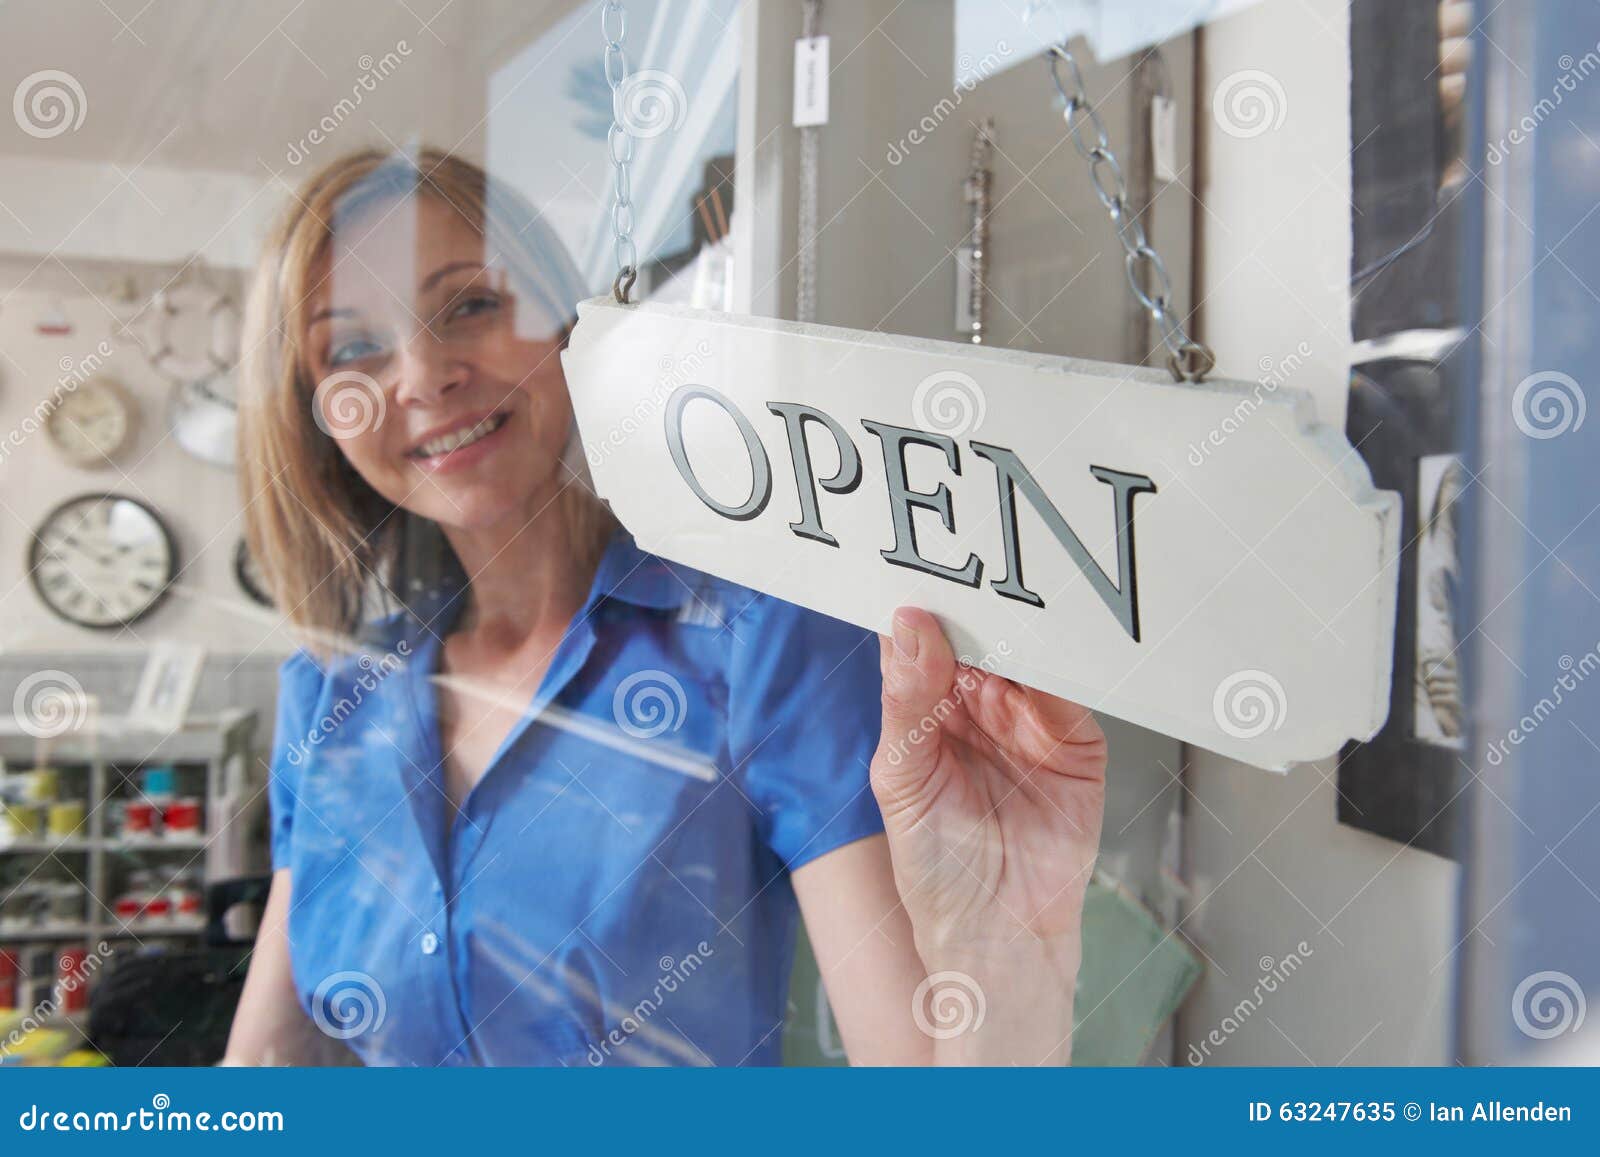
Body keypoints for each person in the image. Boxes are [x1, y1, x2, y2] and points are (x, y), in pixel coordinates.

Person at [223, 147, 1107, 1066]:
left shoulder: (758, 638)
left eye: (470, 306)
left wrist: (1002, 952)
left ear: (566, 326)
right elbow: (262, 1071)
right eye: (354, 347)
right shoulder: (333, 696)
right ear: (313, 410)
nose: (420, 374)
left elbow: (919, 1076)